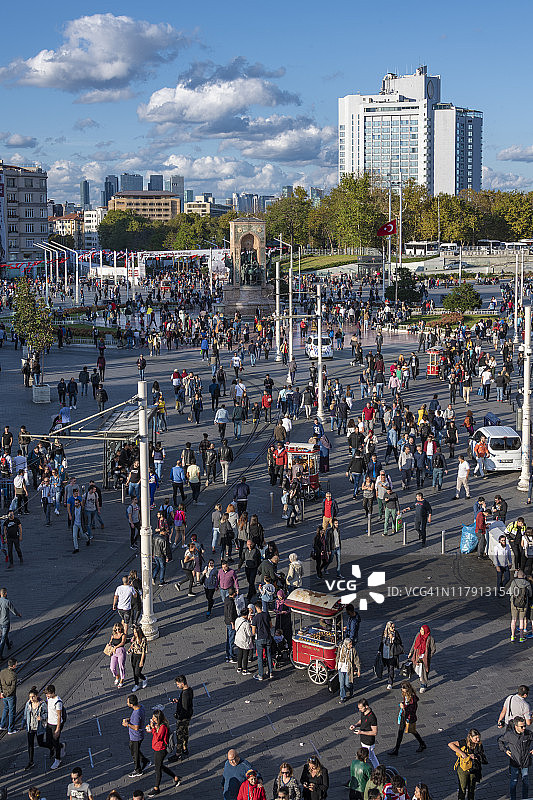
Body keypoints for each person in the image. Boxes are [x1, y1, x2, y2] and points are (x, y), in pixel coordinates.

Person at [145, 709, 181, 796]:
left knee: (158, 769)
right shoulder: (159, 725)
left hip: (160, 749)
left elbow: (158, 737)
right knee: (160, 766)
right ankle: (175, 777)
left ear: (158, 718)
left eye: (154, 717)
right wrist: (151, 729)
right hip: (157, 748)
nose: (153, 719)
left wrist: (153, 727)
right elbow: (155, 734)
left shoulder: (163, 727)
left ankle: (156, 788)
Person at [498, 716, 533, 800]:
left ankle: (525, 798)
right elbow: (500, 741)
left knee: (526, 783)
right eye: (522, 726)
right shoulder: (510, 735)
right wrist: (505, 750)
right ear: (516, 726)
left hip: (525, 762)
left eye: (524, 725)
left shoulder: (528, 734)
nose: (524, 728)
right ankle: (513, 798)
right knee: (514, 782)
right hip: (515, 762)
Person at [388, 681, 427, 756]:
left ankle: (422, 743)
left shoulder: (413, 698)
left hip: (409, 717)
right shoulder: (406, 694)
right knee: (400, 732)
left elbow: (412, 709)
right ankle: (396, 749)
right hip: (404, 715)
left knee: (412, 731)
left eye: (403, 690)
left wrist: (404, 707)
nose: (402, 692)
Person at [448, 729, 487, 800]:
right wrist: (463, 754)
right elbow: (450, 744)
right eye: (476, 738)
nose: (478, 740)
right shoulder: (464, 742)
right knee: (462, 788)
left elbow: (482, 755)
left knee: (472, 788)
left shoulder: (479, 744)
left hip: (474, 768)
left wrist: (476, 757)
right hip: (463, 768)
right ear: (471, 737)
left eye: (479, 737)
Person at [122, 693, 150, 778]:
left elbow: (136, 727)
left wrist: (127, 724)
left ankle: (138, 770)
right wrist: (129, 719)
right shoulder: (141, 707)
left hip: (136, 736)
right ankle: (145, 761)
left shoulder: (136, 713)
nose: (127, 703)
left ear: (132, 704)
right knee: (134, 750)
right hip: (137, 736)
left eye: (128, 702)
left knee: (134, 753)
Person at [350, 698, 379, 768]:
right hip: (363, 739)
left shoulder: (372, 717)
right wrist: (355, 725)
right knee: (371, 756)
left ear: (366, 706)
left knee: (364, 757)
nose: (359, 710)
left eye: (360, 708)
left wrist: (361, 732)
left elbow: (374, 732)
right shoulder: (363, 712)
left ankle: (364, 770)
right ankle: (378, 768)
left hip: (368, 741)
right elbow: (361, 721)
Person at [24, 686, 48, 769]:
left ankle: (52, 747)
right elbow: (25, 714)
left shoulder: (42, 704)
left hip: (39, 728)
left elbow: (47, 713)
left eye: (33, 697)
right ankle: (31, 762)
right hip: (30, 727)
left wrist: (42, 717)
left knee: (40, 743)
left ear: (37, 696)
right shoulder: (28, 704)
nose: (31, 698)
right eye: (30, 697)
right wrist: (24, 724)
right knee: (30, 745)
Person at [408, 624, 436, 692]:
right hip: (417, 655)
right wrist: (410, 652)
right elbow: (414, 644)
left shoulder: (430, 638)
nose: (421, 631)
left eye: (422, 630)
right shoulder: (418, 635)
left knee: (424, 671)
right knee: (417, 669)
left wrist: (428, 656)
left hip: (424, 658)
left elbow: (433, 649)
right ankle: (421, 678)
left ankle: (423, 685)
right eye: (420, 629)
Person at [45, 684, 65, 770]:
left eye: (48, 694)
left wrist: (58, 729)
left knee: (55, 741)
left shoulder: (58, 702)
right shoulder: (49, 698)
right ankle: (61, 746)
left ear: (53, 693)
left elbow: (59, 716)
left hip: (55, 724)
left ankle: (58, 759)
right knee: (49, 741)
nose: (47, 696)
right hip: (49, 722)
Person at [508, 570, 532, 642]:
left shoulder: (514, 582)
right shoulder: (527, 583)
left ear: (517, 575)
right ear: (523, 575)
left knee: (514, 619)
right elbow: (530, 594)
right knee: (521, 620)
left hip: (514, 603)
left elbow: (510, 592)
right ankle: (521, 637)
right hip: (524, 604)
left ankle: (512, 636)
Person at [378, 620, 403, 690]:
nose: (394, 629)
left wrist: (393, 638)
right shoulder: (384, 633)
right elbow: (382, 642)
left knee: (391, 668)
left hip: (392, 653)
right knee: (386, 667)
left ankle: (390, 682)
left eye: (394, 627)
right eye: (392, 627)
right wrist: (379, 650)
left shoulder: (396, 633)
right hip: (385, 653)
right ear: (388, 627)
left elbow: (399, 642)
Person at [252, 600, 273, 681]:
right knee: (269, 655)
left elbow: (253, 632)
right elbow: (271, 625)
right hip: (268, 637)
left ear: (256, 608)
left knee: (260, 657)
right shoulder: (266, 615)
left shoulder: (255, 618)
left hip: (260, 638)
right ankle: (270, 672)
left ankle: (261, 675)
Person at [335, 638, 361, 703]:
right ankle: (342, 697)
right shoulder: (341, 647)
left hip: (348, 669)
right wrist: (336, 664)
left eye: (351, 644)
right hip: (341, 668)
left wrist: (358, 670)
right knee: (341, 684)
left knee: (347, 684)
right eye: (349, 645)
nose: (351, 646)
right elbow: (338, 656)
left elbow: (356, 660)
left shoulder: (353, 650)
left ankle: (351, 689)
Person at [0, 587, 21, 661]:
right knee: (3, 638)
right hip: (5, 622)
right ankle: (0, 655)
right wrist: (18, 614)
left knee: (4, 634)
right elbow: (13, 610)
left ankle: (8, 645)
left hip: (0, 622)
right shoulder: (7, 602)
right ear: (5, 593)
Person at [0, 657, 17, 734]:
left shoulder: (2, 672)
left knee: (5, 709)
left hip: (3, 694)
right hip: (10, 696)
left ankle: (2, 725)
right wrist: (7, 694)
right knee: (12, 711)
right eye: (16, 664)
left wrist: (2, 693)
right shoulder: (13, 675)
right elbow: (12, 688)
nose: (16, 665)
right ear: (13, 666)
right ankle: (11, 729)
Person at [107, 622, 127, 688]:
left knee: (121, 666)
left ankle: (122, 679)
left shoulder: (123, 635)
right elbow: (110, 641)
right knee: (112, 667)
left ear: (121, 629)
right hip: (114, 652)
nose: (117, 631)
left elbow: (122, 642)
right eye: (116, 629)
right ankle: (116, 675)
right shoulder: (113, 635)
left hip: (121, 651)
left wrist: (116, 647)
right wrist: (110, 644)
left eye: (119, 629)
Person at [128, 626, 148, 691]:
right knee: (134, 671)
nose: (134, 634)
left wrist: (141, 661)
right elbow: (132, 645)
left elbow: (143, 652)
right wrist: (130, 650)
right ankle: (136, 684)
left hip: (140, 656)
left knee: (137, 672)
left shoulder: (143, 639)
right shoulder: (134, 638)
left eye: (135, 633)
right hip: (134, 655)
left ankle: (144, 678)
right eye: (134, 632)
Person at [235, 608, 253, 675]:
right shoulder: (246, 623)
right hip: (245, 640)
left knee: (240, 653)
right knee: (245, 655)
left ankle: (239, 667)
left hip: (238, 639)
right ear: (246, 615)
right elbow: (249, 634)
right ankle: (245, 669)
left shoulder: (237, 619)